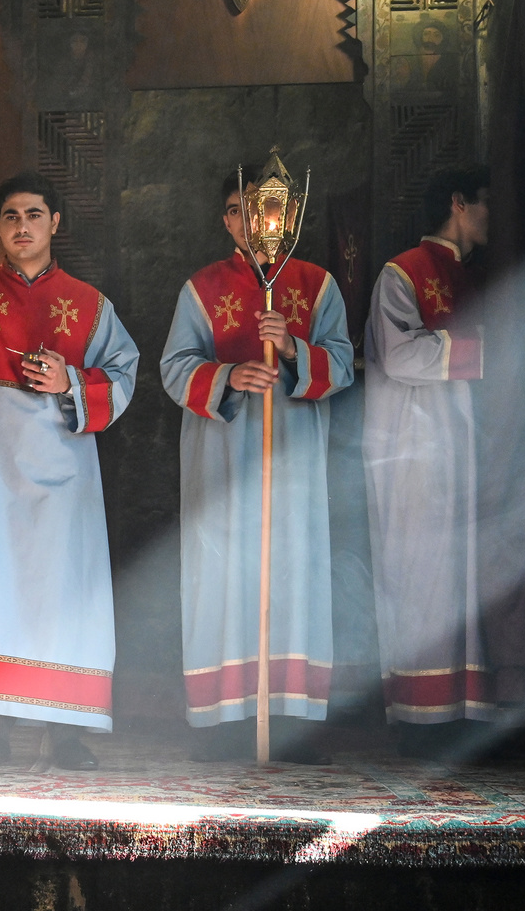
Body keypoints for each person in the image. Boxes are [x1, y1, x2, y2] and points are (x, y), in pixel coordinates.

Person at [0, 173, 138, 769]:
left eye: (34, 215)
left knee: (63, 600)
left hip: (64, 481)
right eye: (10, 216)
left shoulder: (91, 305)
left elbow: (124, 376)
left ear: (54, 222)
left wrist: (70, 381)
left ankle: (66, 734)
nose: (22, 226)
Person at [159, 162, 354, 764]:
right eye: (245, 209)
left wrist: (295, 347)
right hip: (223, 459)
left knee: (292, 577)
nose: (259, 221)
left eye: (272, 209)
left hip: (291, 460)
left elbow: (344, 364)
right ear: (229, 220)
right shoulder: (201, 289)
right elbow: (172, 368)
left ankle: (290, 720)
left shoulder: (317, 285)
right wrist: (228, 374)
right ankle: (223, 719)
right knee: (222, 580)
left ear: (289, 216)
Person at [364, 166, 491, 757]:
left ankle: (462, 714)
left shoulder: (471, 276)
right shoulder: (402, 272)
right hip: (412, 447)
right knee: (422, 575)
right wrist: (485, 350)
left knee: (463, 576)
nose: (496, 217)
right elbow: (397, 355)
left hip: (460, 447)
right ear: (458, 204)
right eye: (487, 204)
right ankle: (419, 719)